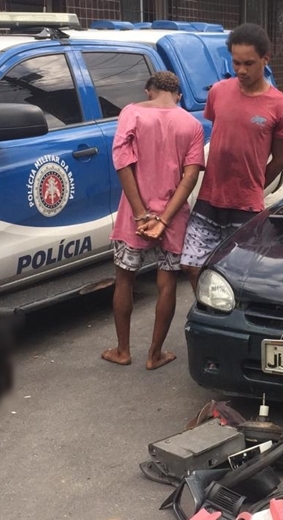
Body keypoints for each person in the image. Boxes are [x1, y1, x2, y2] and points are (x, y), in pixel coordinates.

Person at [102, 71, 205, 370]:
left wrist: (140, 214)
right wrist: (163, 219)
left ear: (149, 91)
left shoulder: (131, 113)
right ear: (178, 95)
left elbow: (123, 163)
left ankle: (123, 350)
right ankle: (154, 354)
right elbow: (190, 177)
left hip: (134, 215)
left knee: (124, 277)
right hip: (173, 217)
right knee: (167, 281)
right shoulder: (192, 124)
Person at [181, 23, 283, 291]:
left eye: (249, 63)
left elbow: (279, 159)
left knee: (237, 277)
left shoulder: (280, 106)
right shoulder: (218, 92)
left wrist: (255, 184)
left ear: (265, 59)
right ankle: (212, 308)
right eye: (236, 63)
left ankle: (224, 321)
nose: (241, 70)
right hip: (209, 198)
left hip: (246, 206)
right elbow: (218, 137)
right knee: (191, 264)